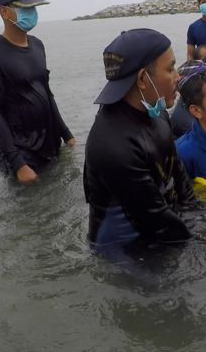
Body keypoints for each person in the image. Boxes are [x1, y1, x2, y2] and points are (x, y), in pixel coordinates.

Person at [84, 28, 198, 249]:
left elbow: (179, 176)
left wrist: (203, 216)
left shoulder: (157, 110)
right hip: (126, 252)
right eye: (171, 68)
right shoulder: (114, 145)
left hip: (162, 223)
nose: (178, 77)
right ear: (143, 79)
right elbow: (156, 221)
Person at [0, 0, 75, 184]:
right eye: (25, 8)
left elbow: (47, 93)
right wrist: (18, 164)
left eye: (34, 7)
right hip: (22, 153)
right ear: (4, 11)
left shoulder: (37, 45)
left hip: (51, 143)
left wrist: (66, 134)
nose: (31, 12)